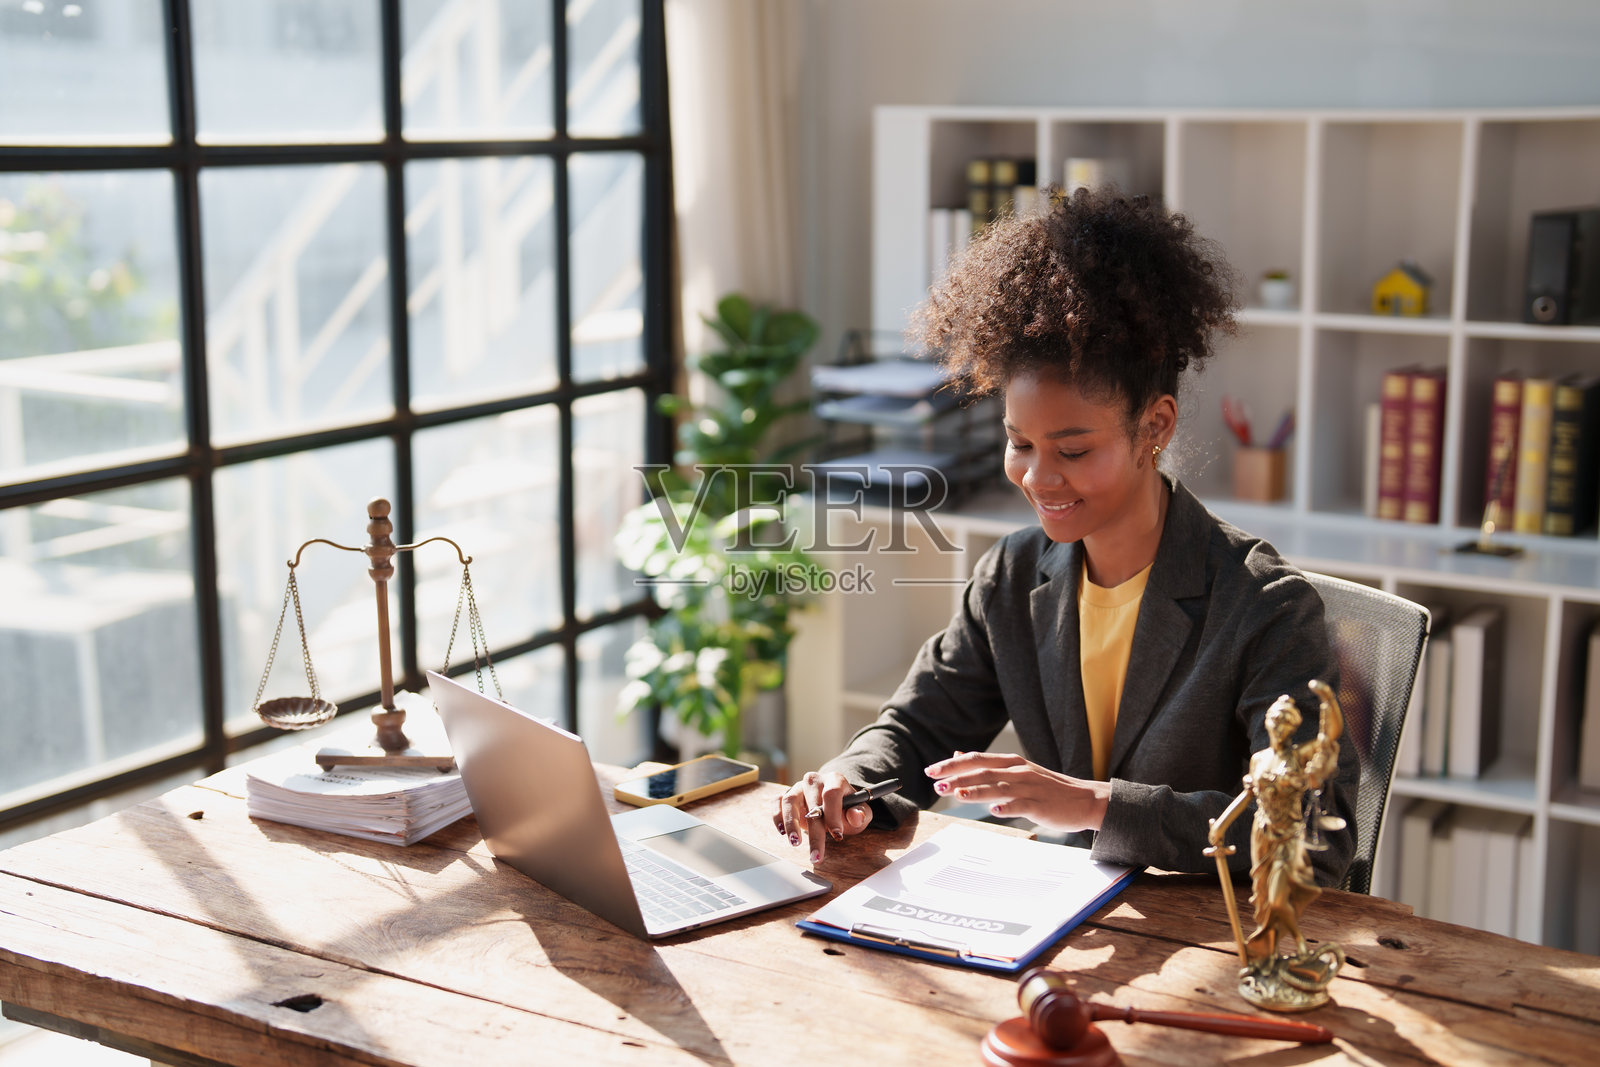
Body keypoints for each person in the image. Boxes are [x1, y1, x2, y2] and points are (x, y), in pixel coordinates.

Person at [772, 187, 1358, 885]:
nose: (1039, 477)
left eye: (1074, 450)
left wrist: (1093, 804)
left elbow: (1307, 832)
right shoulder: (1014, 578)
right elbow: (918, 730)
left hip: (1202, 941)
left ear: (1156, 426)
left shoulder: (1264, 608)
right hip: (1056, 918)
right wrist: (845, 780)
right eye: (1020, 442)